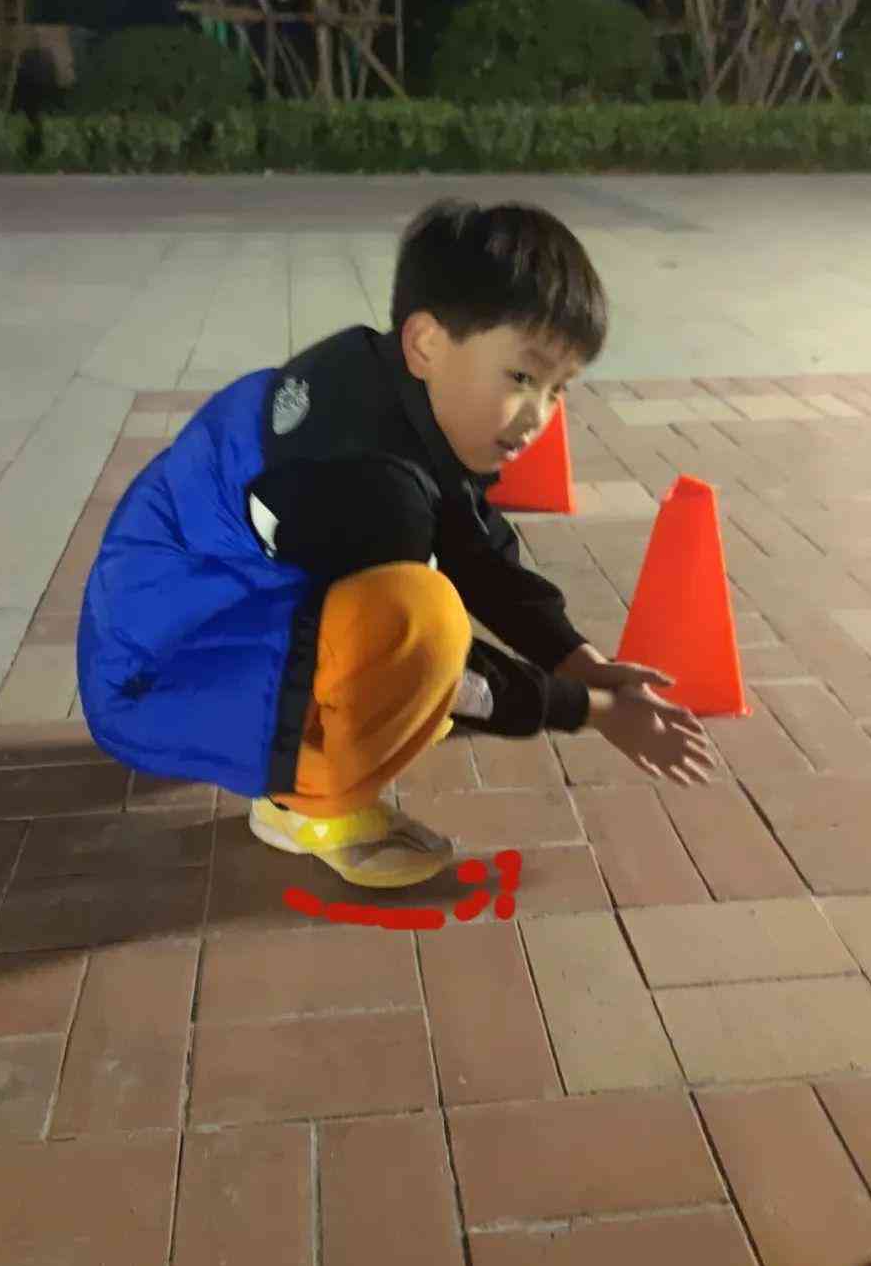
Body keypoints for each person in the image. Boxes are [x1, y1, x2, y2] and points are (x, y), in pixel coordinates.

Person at [77, 200, 716, 890]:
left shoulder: (382, 382)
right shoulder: (366, 476)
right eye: (522, 378)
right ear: (426, 342)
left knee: (410, 616)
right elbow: (456, 675)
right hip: (149, 681)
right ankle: (302, 804)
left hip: (168, 633)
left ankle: (276, 732)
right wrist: (589, 711)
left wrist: (580, 660)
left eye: (559, 389)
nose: (539, 415)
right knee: (419, 631)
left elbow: (474, 545)